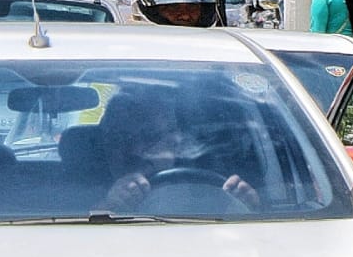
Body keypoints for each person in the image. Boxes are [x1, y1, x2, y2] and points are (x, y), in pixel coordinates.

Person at [96, 91, 258, 212]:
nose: (136, 150)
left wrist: (247, 205)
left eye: (151, 136)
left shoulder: (214, 185)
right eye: (125, 138)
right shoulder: (77, 190)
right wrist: (110, 207)